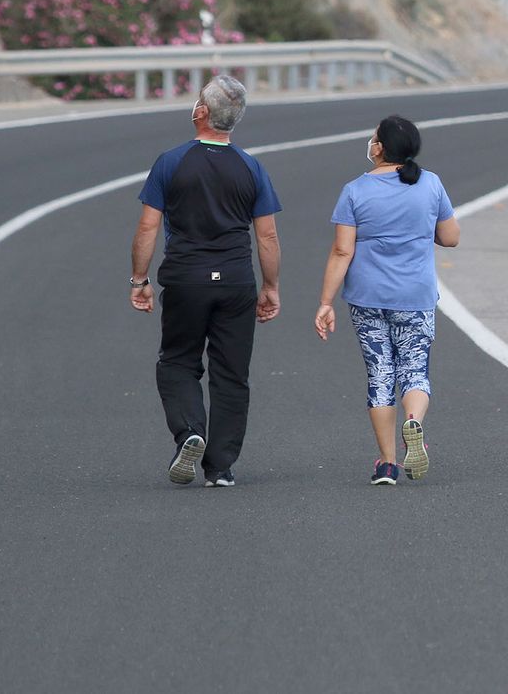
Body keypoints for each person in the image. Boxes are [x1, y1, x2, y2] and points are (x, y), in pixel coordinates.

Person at [130, 75, 282, 488]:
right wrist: (270, 287)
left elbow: (148, 227)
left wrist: (139, 279)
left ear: (201, 112)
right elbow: (266, 235)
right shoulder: (252, 166)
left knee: (178, 361)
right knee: (231, 373)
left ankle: (189, 432)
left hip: (185, 278)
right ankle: (221, 466)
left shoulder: (171, 162)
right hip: (235, 280)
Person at [314, 115, 460, 486]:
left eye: (374, 138)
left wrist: (326, 302)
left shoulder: (354, 191)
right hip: (415, 295)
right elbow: (451, 237)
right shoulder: (430, 184)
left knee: (380, 374)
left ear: (379, 148)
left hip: (367, 297)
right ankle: (414, 423)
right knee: (415, 369)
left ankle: (387, 463)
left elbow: (341, 251)